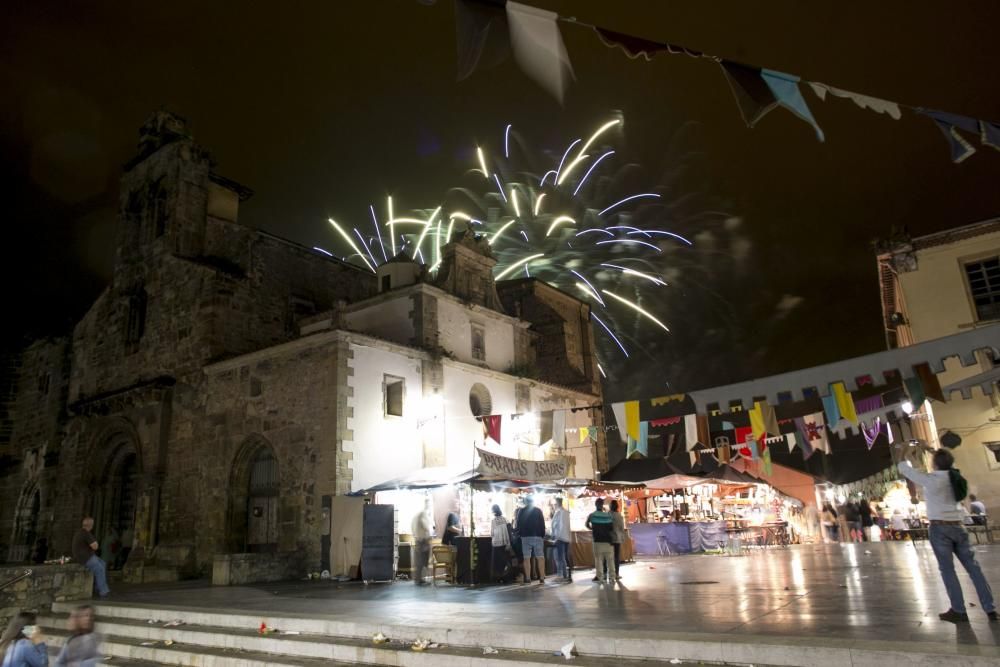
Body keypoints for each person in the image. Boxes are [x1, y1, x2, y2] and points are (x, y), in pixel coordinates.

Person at [898, 449, 998, 623]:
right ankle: (990, 609)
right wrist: (932, 450)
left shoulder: (931, 479)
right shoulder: (956, 478)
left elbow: (906, 470)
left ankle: (959, 610)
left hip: (940, 528)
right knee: (974, 569)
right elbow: (951, 467)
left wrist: (902, 453)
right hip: (959, 527)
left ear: (934, 463)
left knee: (948, 570)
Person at [72, 518, 109, 598]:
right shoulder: (86, 533)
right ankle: (103, 591)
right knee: (99, 569)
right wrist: (96, 544)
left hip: (85, 556)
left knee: (103, 563)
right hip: (86, 557)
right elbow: (95, 546)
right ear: (91, 525)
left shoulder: (80, 532)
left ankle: (97, 587)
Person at [516, 495, 546, 585]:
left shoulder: (521, 511)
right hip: (537, 536)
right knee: (540, 557)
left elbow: (518, 524)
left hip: (525, 537)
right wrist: (542, 535)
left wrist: (520, 534)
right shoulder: (538, 511)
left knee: (526, 558)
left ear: (525, 502)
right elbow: (542, 524)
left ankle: (528, 578)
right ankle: (541, 577)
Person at [585, 498, 614, 584]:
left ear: (595, 505)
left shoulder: (592, 515)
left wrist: (592, 528)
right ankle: (612, 577)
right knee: (610, 560)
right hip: (608, 541)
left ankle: (601, 578)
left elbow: (586, 524)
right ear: (602, 505)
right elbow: (611, 528)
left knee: (598, 561)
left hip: (597, 541)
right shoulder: (608, 515)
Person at [550, 497, 572, 582]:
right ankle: (565, 575)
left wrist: (556, 536)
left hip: (560, 537)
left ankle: (560, 575)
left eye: (554, 504)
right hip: (565, 537)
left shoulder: (560, 512)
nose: (553, 506)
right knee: (564, 557)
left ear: (557, 503)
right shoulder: (565, 512)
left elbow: (558, 525)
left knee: (559, 557)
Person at [489, 505, 512, 582]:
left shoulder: (493, 521)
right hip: (505, 542)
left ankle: (497, 578)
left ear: (493, 512)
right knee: (504, 561)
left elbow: (492, 533)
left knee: (497, 563)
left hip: (496, 544)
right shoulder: (505, 519)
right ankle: (506, 577)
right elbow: (510, 529)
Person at [411, 503, 432, 586]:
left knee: (418, 561)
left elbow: (412, 527)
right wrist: (429, 535)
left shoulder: (415, 516)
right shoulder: (423, 514)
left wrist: (415, 535)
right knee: (424, 560)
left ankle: (418, 579)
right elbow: (425, 526)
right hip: (423, 540)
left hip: (417, 540)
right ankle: (422, 579)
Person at [608, 499, 625, 582]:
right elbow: (622, 528)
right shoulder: (619, 516)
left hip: (609, 538)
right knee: (616, 557)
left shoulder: (608, 515)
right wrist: (623, 538)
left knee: (609, 557)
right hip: (617, 538)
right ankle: (616, 574)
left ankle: (610, 573)